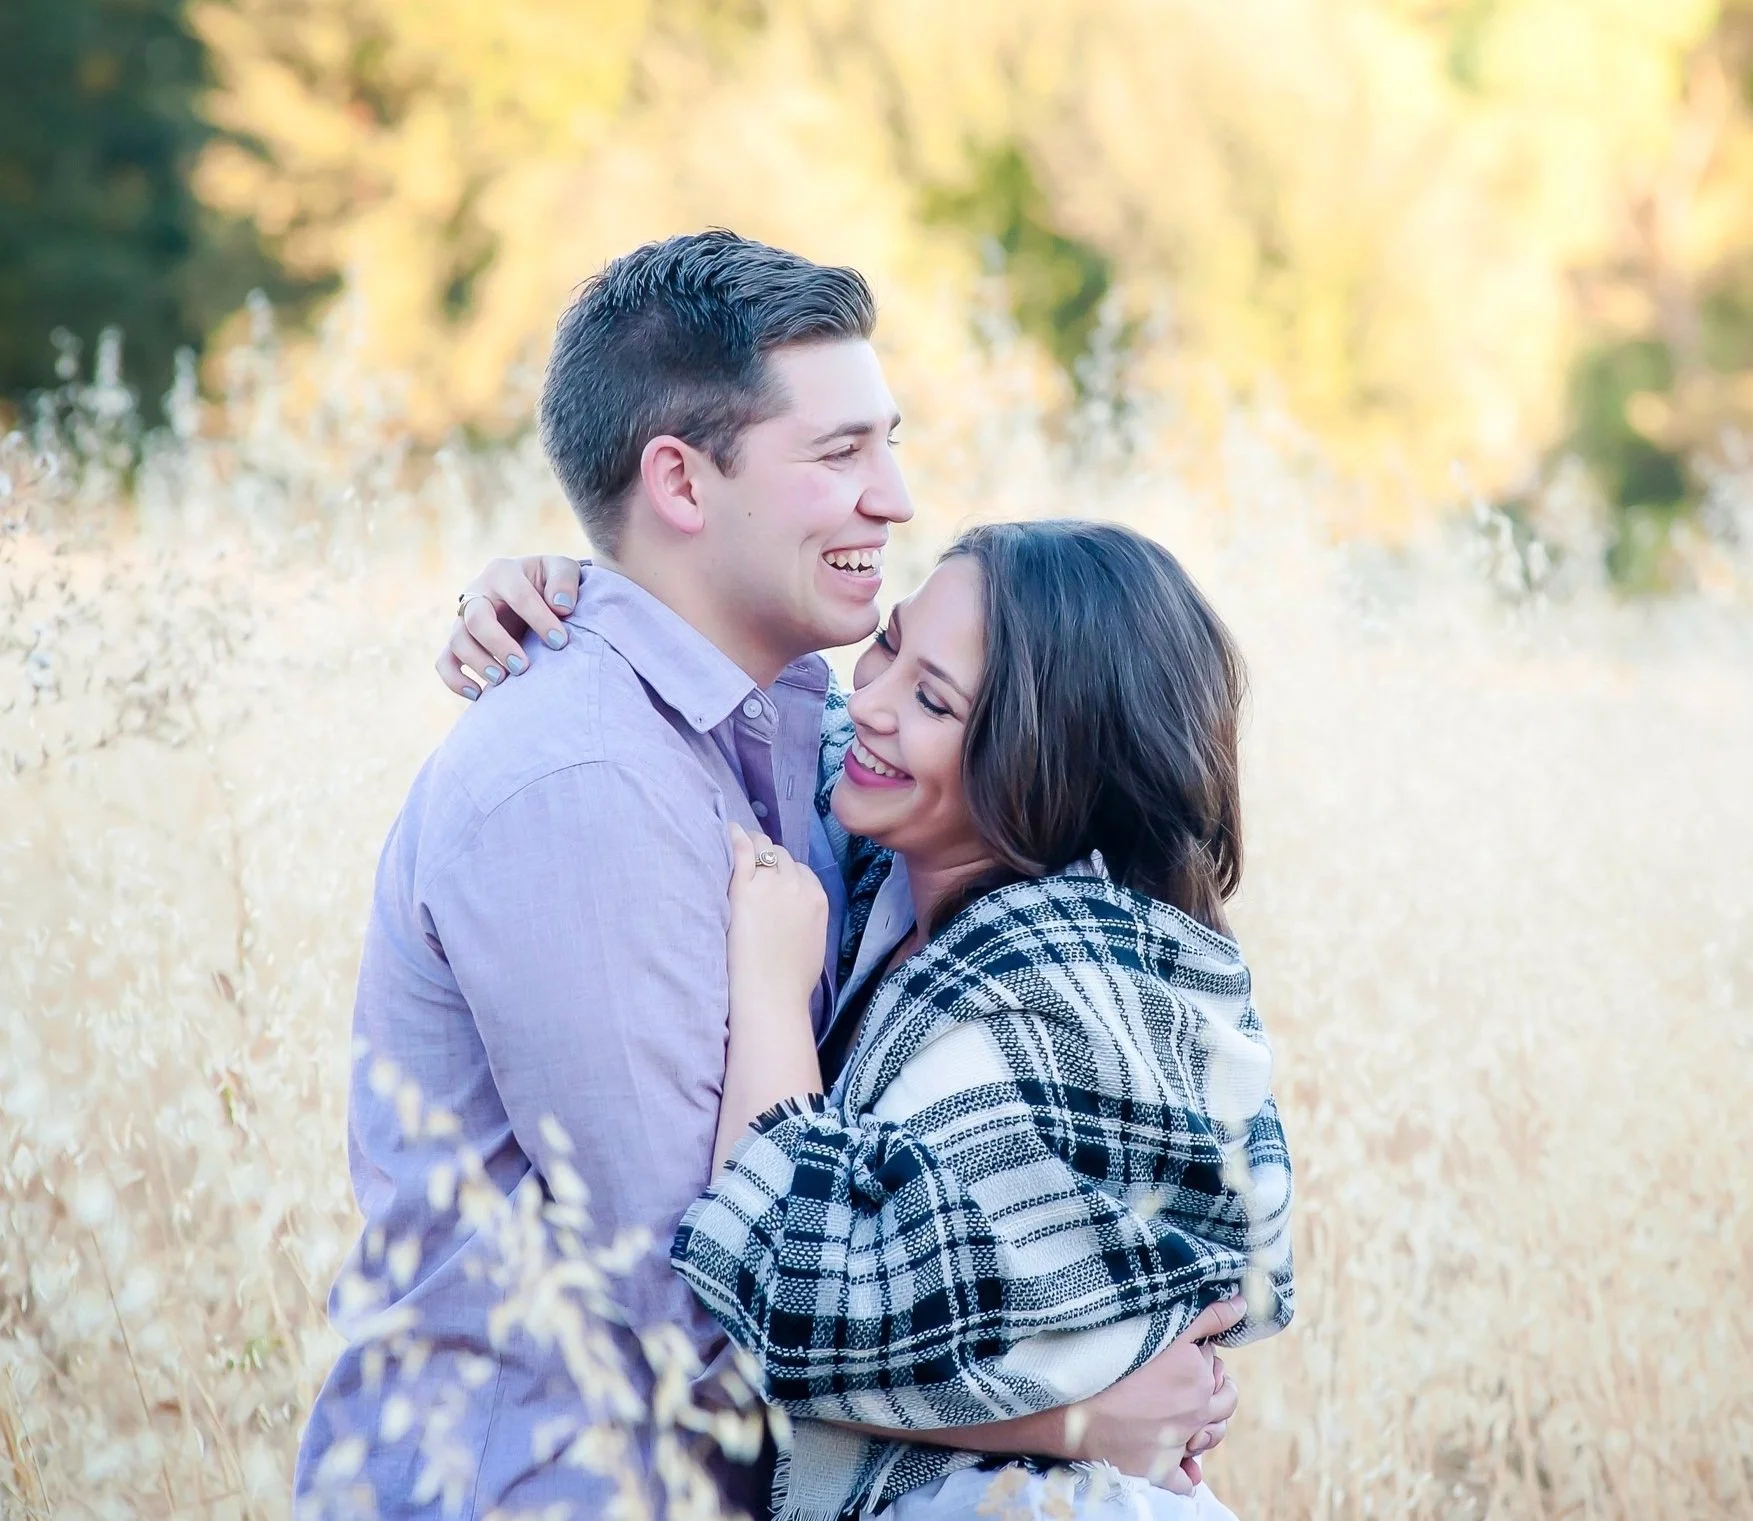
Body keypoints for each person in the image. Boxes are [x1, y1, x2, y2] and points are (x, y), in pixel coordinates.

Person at [297, 231, 1242, 1520]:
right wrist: (1080, 1419)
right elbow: (709, 1314)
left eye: (887, 440)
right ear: (681, 482)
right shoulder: (578, 786)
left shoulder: (803, 725)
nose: (896, 497)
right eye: (841, 452)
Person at [454, 523, 1294, 1521]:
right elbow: (768, 702)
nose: (876, 703)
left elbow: (790, 1305)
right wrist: (565, 598)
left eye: (933, 699)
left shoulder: (1078, 1000)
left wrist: (769, 990)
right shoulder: (908, 856)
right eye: (889, 646)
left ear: (1044, 761)